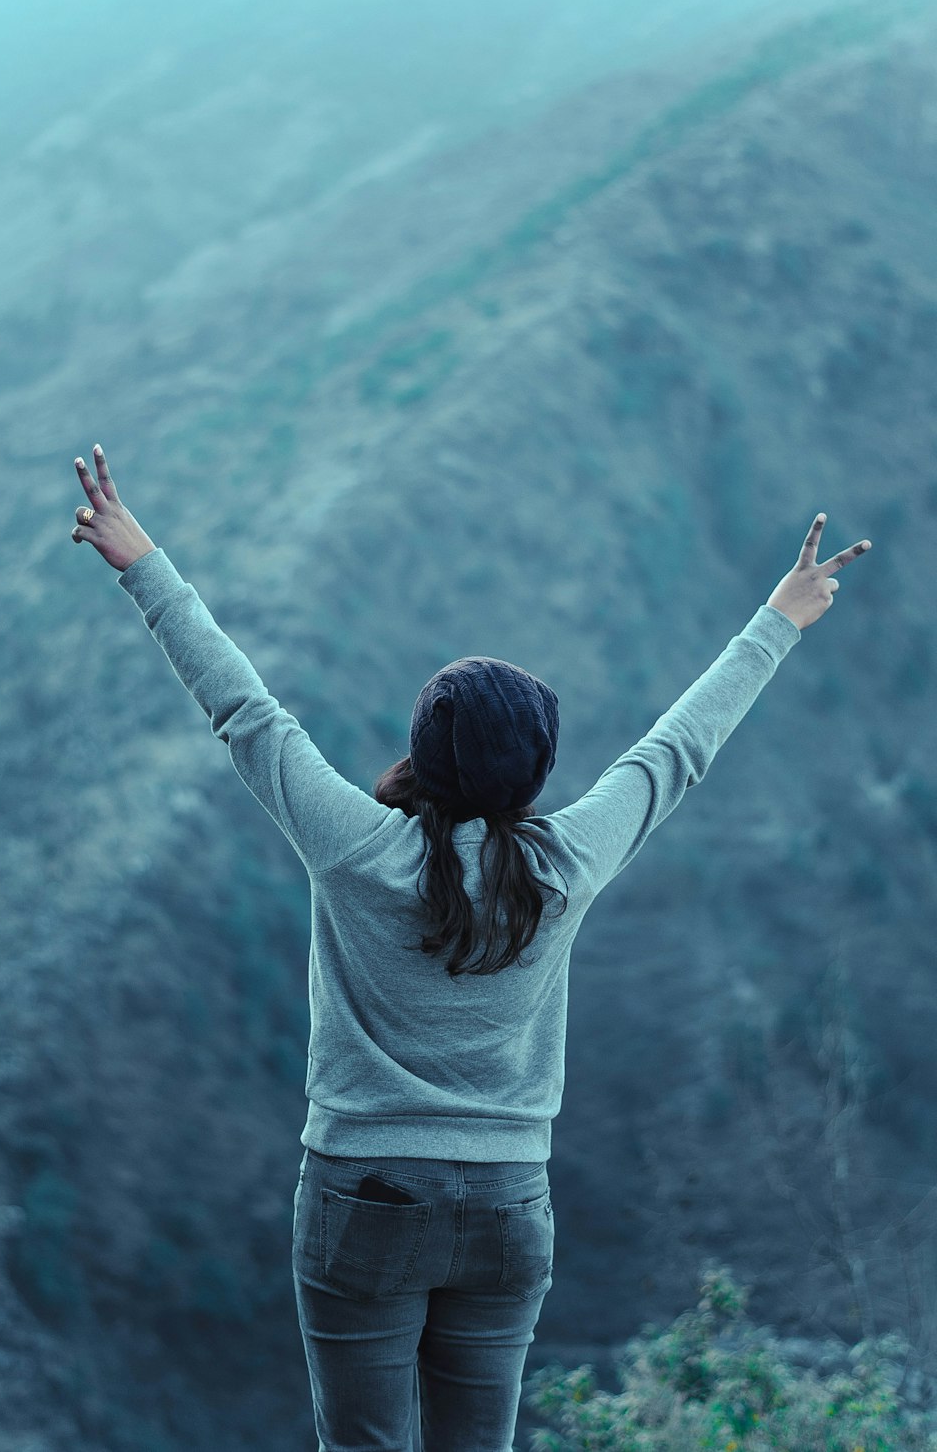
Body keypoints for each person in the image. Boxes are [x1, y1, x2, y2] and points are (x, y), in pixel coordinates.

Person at [70, 444, 871, 1452]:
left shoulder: (352, 844)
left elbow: (245, 711)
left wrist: (141, 558)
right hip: (505, 1205)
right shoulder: (566, 862)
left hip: (360, 1193)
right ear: (533, 770)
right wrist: (778, 620)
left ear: (422, 750)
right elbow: (675, 751)